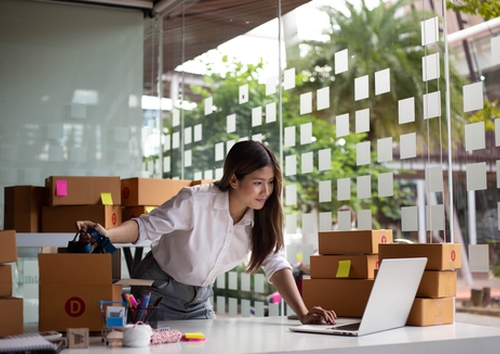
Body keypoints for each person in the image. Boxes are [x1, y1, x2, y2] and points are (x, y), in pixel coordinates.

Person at [76, 140, 336, 325]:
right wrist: (107, 234)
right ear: (234, 180)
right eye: (257, 183)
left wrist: (303, 313)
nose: (266, 192)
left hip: (201, 299)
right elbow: (145, 226)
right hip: (158, 294)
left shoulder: (262, 218)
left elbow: (276, 263)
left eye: (269, 183)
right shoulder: (195, 201)